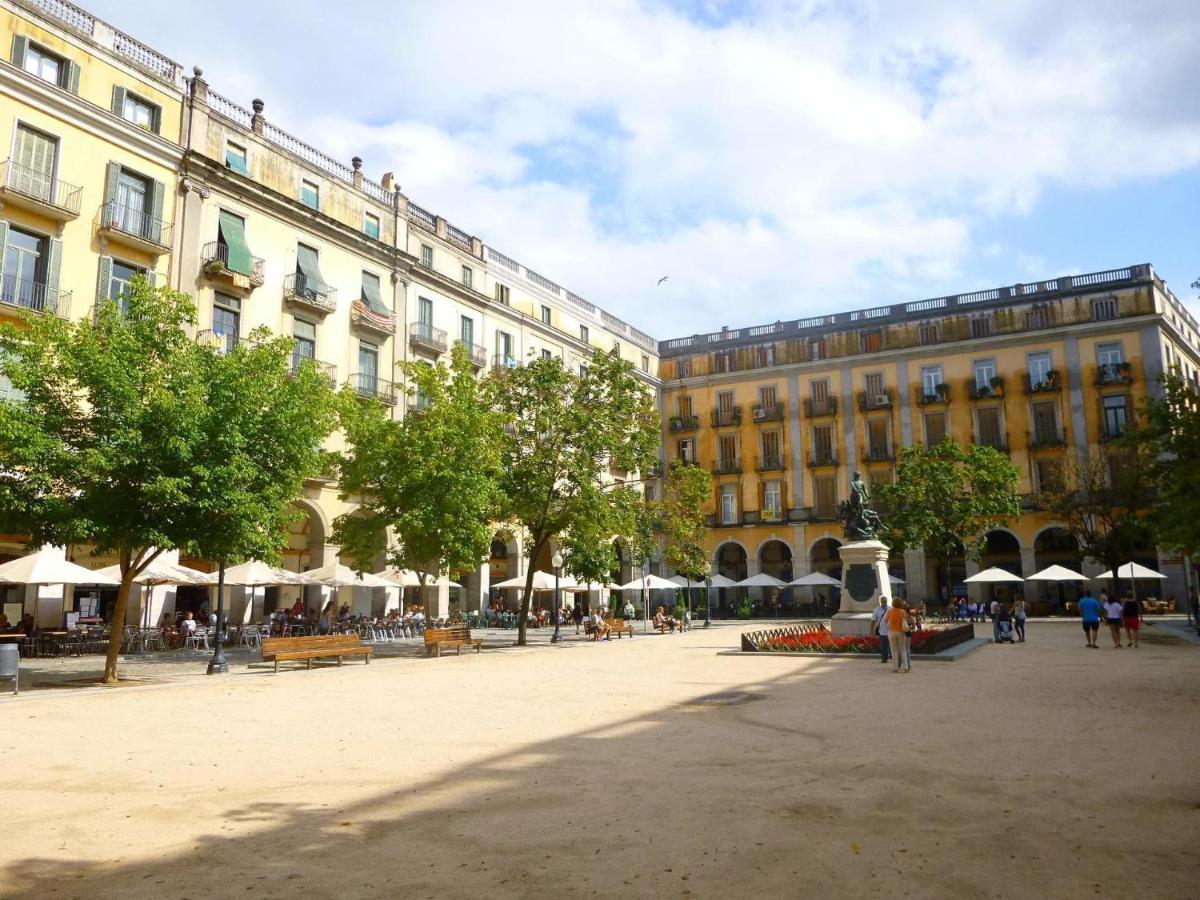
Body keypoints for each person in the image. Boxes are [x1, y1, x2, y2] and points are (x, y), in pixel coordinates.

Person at [885, 599, 910, 673]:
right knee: (902, 649)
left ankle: (895, 668)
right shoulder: (902, 611)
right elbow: (906, 620)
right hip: (900, 632)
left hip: (891, 631)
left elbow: (885, 620)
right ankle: (905, 667)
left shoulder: (889, 611)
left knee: (894, 650)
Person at [872, 596, 891, 665]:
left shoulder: (890, 609)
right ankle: (884, 658)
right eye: (883, 601)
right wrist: (871, 630)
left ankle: (893, 658)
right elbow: (873, 620)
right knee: (883, 646)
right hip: (882, 631)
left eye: (885, 601)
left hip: (890, 630)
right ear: (880, 602)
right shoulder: (876, 610)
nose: (884, 602)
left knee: (892, 646)